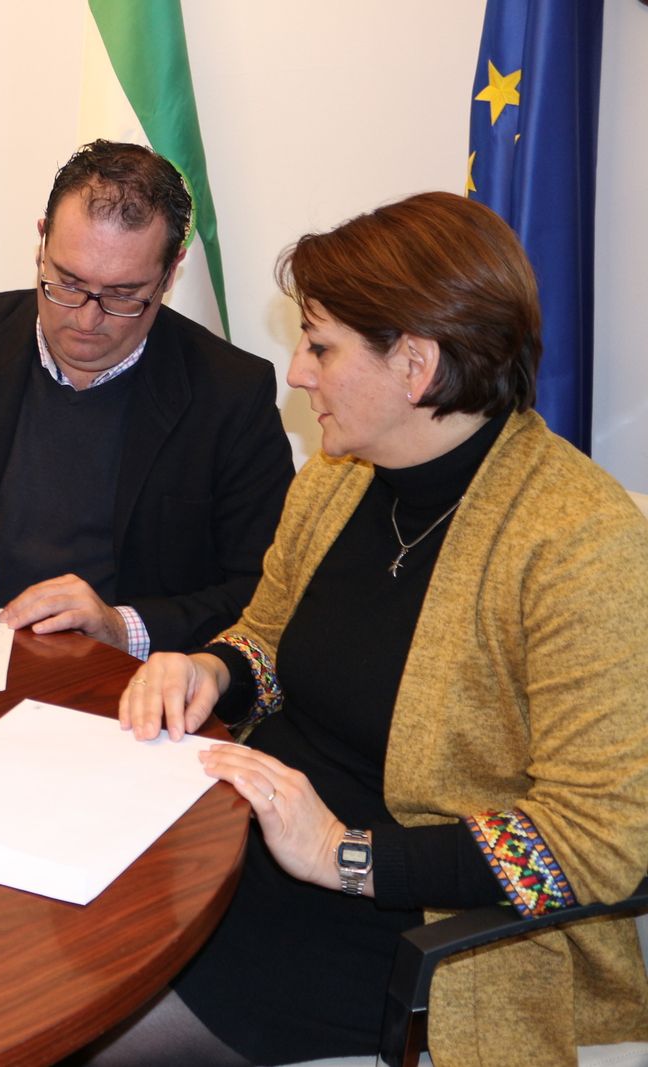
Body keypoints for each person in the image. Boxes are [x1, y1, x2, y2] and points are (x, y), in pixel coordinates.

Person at [99, 192, 648, 1065]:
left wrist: (346, 855)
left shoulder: (578, 544)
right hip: (237, 856)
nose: (297, 373)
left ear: (416, 366)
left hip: (411, 929)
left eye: (320, 346)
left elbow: (601, 842)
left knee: (88, 1028)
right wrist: (213, 671)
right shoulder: (340, 477)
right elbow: (271, 640)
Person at [0, 141, 292, 657]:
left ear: (171, 272)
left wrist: (119, 625)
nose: (87, 320)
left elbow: (265, 593)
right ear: (42, 241)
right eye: (67, 282)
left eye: (124, 295)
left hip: (125, 689)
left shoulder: (230, 391)